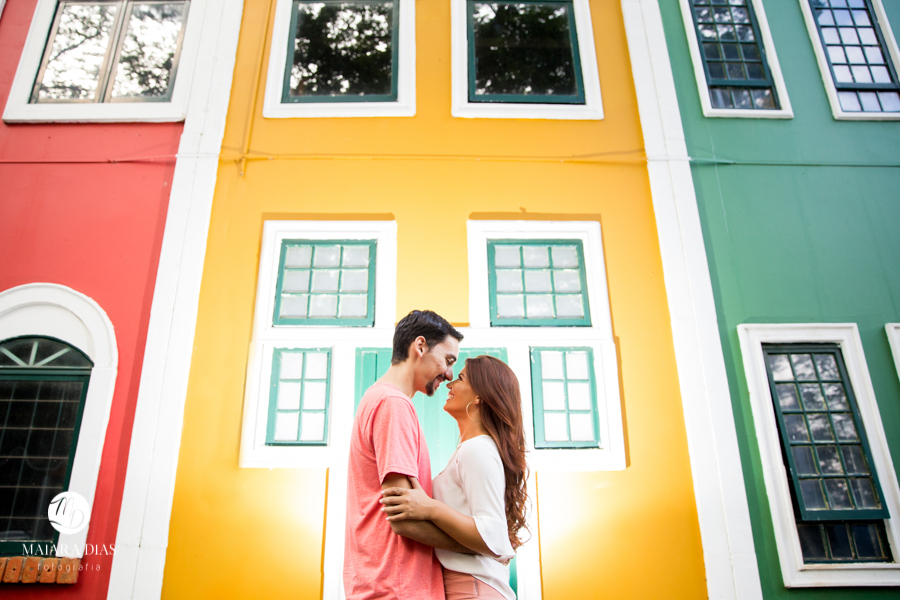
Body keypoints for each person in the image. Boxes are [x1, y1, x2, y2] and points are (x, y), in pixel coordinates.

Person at [344, 310, 470, 600]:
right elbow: (403, 518)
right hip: (397, 588)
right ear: (420, 346)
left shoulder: (378, 399)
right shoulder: (392, 404)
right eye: (448, 360)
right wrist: (479, 546)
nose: (450, 374)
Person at [380, 355, 529, 600]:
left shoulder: (477, 449)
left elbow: (492, 533)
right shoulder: (470, 450)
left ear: (480, 395)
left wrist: (430, 508)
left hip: (473, 589)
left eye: (460, 378)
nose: (449, 384)